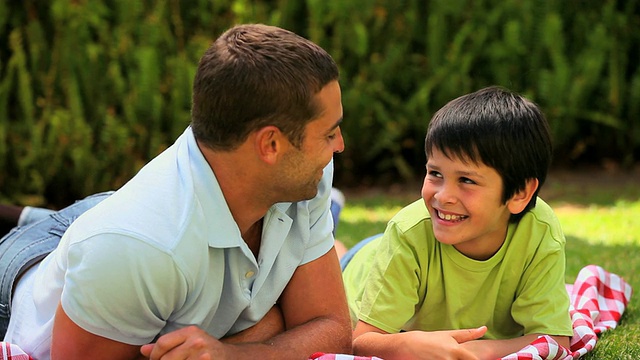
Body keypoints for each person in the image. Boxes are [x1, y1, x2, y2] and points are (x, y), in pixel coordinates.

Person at [0, 23, 353, 360]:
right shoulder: (133, 247)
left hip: (134, 225)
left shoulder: (306, 179)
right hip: (28, 270)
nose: (339, 145)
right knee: (117, 243)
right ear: (271, 144)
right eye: (327, 134)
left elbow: (332, 330)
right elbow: (307, 330)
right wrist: (276, 325)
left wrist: (235, 352)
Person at [341, 86, 573, 360]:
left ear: (520, 193)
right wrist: (406, 345)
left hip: (395, 252)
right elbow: (362, 342)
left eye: (466, 180)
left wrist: (474, 351)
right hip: (363, 265)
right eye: (435, 173)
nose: (443, 196)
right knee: (339, 256)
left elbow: (555, 341)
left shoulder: (539, 231)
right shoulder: (408, 232)